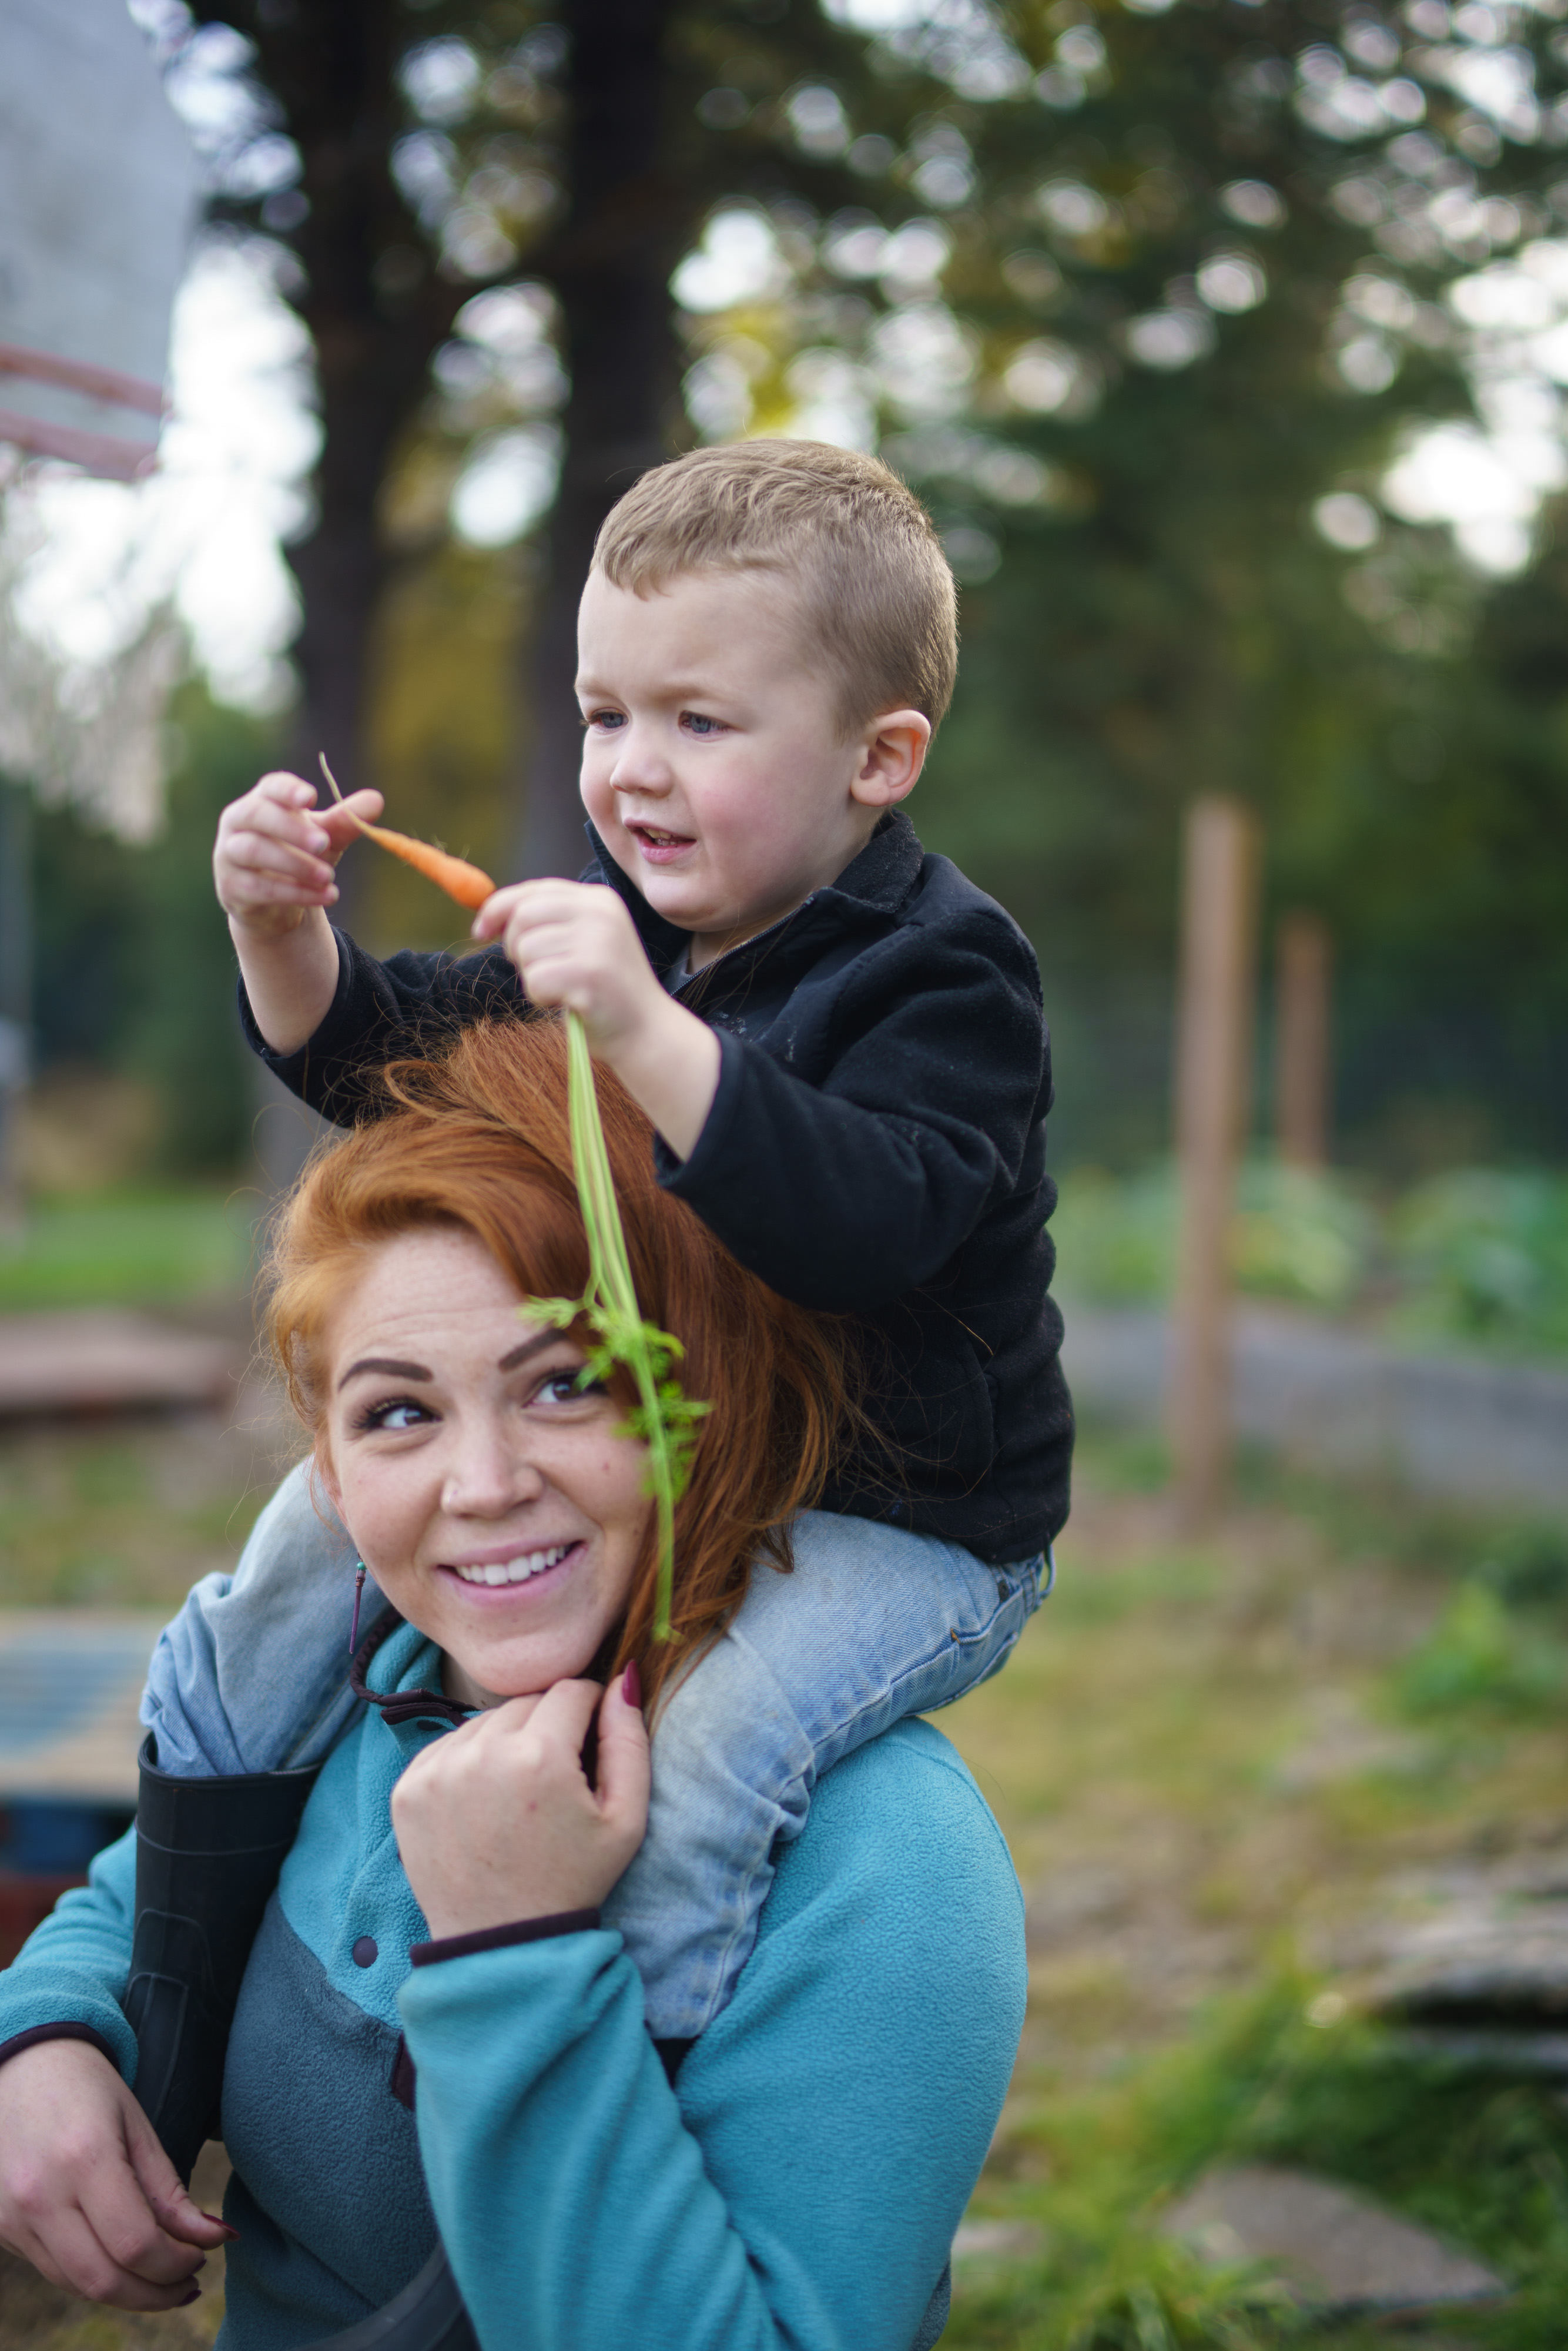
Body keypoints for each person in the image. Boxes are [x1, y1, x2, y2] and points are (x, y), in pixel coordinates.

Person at [189, 436, 1070, 2045]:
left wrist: (646, 1029)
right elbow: (371, 1055)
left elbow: (861, 1224)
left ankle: (628, 2110)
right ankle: (174, 1969)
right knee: (289, 1569)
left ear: (878, 759)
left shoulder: (944, 976)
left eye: (698, 722)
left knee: (706, 1763)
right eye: (606, 715)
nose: (629, 770)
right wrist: (280, 933)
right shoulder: (626, 931)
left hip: (899, 1516)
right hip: (681, 1449)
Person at [0, 1023, 1027, 2350]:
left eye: (562, 1384)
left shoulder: (880, 1857)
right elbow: (131, 1898)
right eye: (399, 1412)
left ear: (699, 1400)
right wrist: (45, 2036)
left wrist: (514, 1954)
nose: (481, 1486)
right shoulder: (361, 1685)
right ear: (327, 1463)